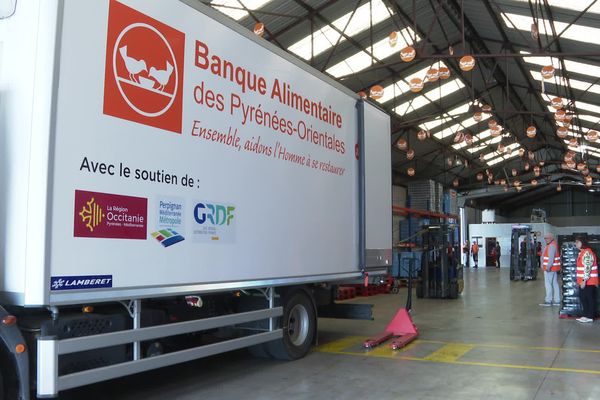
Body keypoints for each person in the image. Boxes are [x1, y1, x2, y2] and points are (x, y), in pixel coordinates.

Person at [575, 237, 598, 323]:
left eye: (577, 242)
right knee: (583, 298)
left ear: (582, 243)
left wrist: (584, 280)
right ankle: (585, 315)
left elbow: (587, 268)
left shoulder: (587, 253)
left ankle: (590, 316)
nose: (576, 244)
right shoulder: (582, 253)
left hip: (589, 281)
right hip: (584, 281)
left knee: (588, 298)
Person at [539, 233, 561, 307]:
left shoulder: (551, 246)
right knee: (554, 283)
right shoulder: (551, 245)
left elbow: (551, 259)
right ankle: (557, 300)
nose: (545, 240)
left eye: (547, 238)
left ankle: (548, 300)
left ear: (551, 238)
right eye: (545, 238)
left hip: (549, 269)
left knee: (548, 284)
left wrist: (548, 267)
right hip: (553, 269)